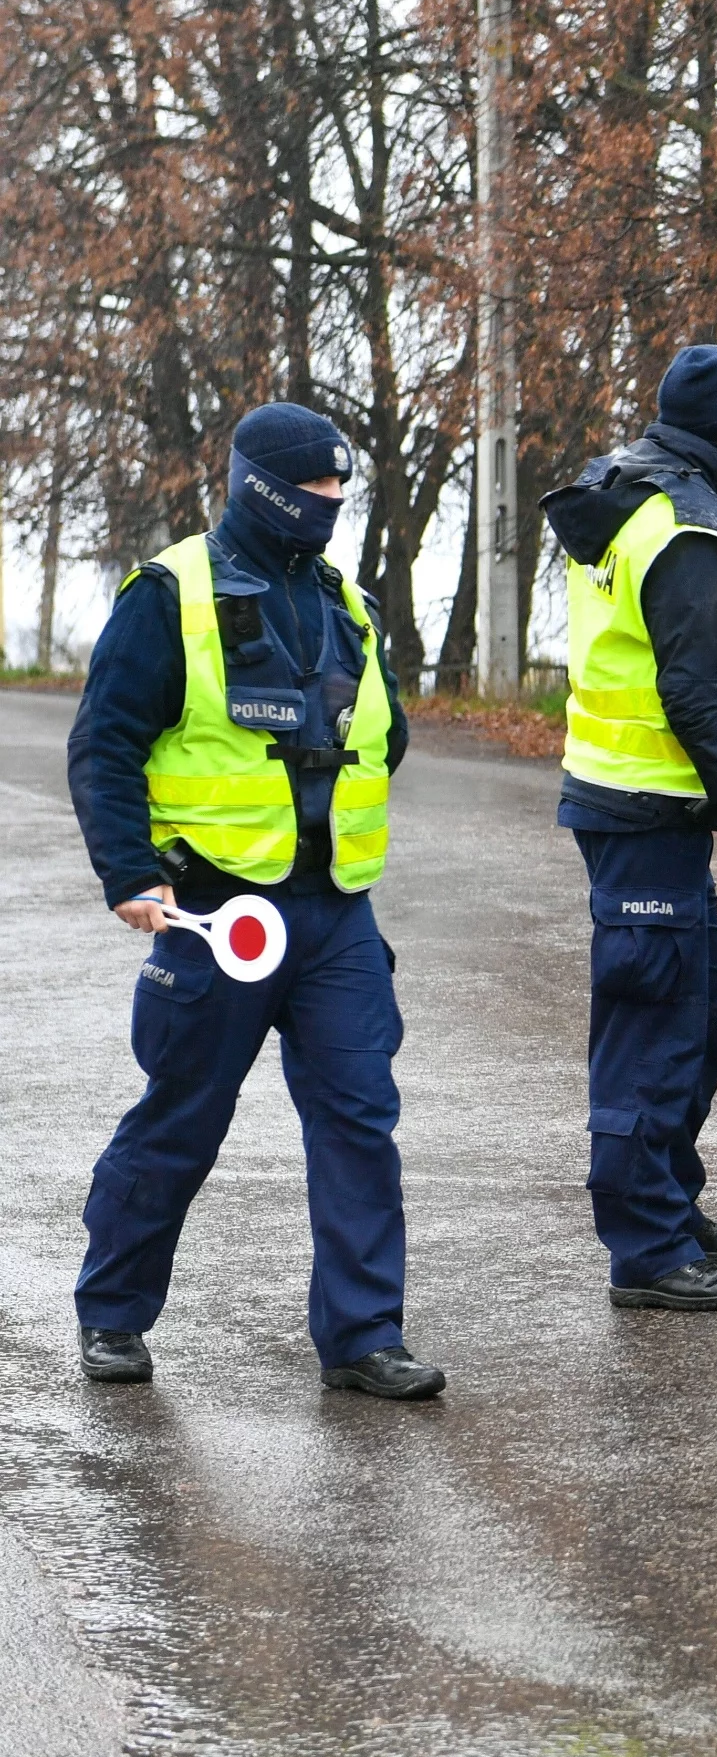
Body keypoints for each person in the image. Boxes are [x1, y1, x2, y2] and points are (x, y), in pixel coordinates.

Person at [65, 403, 442, 1398]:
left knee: (360, 1119)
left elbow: (386, 733)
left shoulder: (343, 600)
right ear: (267, 487)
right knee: (184, 1116)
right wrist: (130, 872)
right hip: (213, 916)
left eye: (340, 492)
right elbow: (104, 744)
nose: (332, 506)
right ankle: (111, 1314)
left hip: (334, 915)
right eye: (319, 490)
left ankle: (364, 1337)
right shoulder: (168, 595)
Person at [543, 344, 717, 1312]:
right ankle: (644, 1249)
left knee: (702, 1020)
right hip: (644, 809)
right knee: (651, 1033)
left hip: (640, 806)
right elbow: (690, 689)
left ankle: (667, 1202)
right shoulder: (684, 528)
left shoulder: (632, 490)